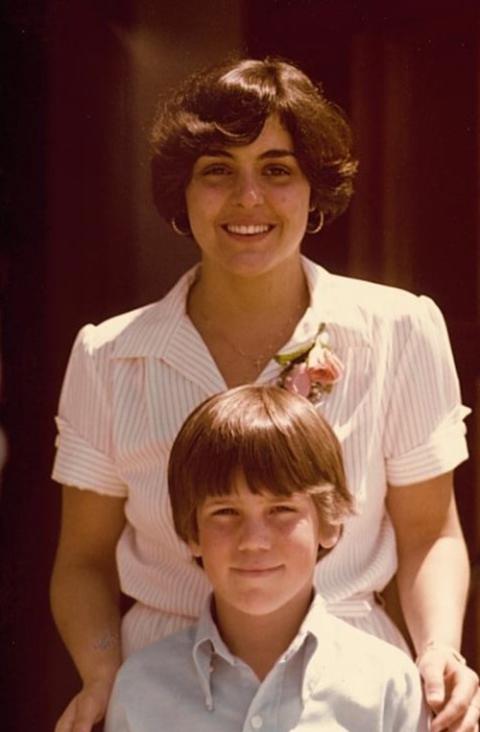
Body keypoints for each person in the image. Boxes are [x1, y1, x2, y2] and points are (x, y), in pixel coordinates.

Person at [50, 56, 480, 732]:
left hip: (349, 686)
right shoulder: (109, 356)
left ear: (315, 192)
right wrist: (105, 675)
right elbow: (82, 560)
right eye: (217, 170)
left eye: (277, 170)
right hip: (165, 690)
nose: (248, 199)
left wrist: (438, 652)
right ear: (182, 194)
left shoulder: (399, 329)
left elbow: (430, 532)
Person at [105, 384, 430, 732]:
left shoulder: (387, 685)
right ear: (191, 532)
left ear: (329, 523)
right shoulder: (140, 687)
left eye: (281, 509)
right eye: (226, 511)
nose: (254, 541)